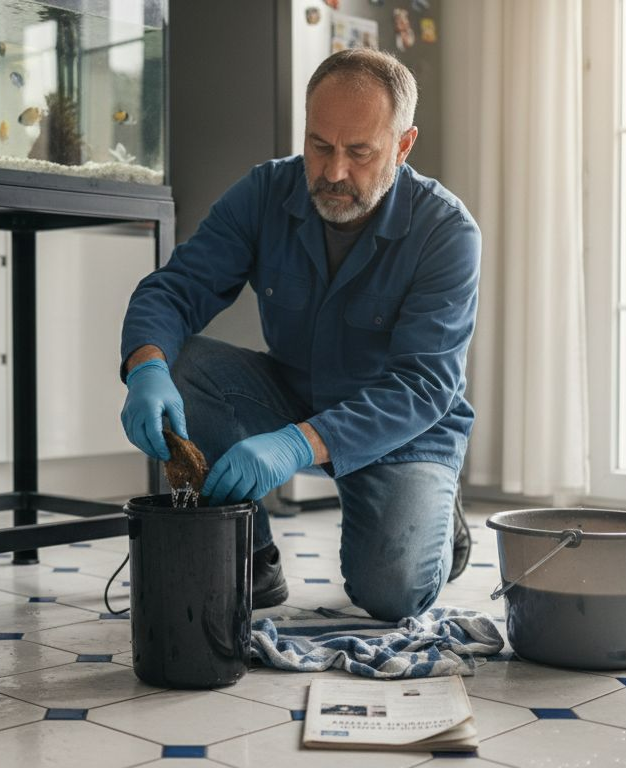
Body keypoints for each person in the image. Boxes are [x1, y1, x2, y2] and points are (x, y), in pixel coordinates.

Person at [118, 48, 479, 621]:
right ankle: (251, 558)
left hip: (401, 428)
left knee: (392, 594)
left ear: (403, 145)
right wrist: (145, 367)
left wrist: (296, 444)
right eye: (320, 145)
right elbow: (176, 288)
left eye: (360, 152)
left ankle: (440, 514)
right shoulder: (265, 192)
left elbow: (424, 386)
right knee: (179, 363)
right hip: (291, 390)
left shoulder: (446, 231)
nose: (335, 172)